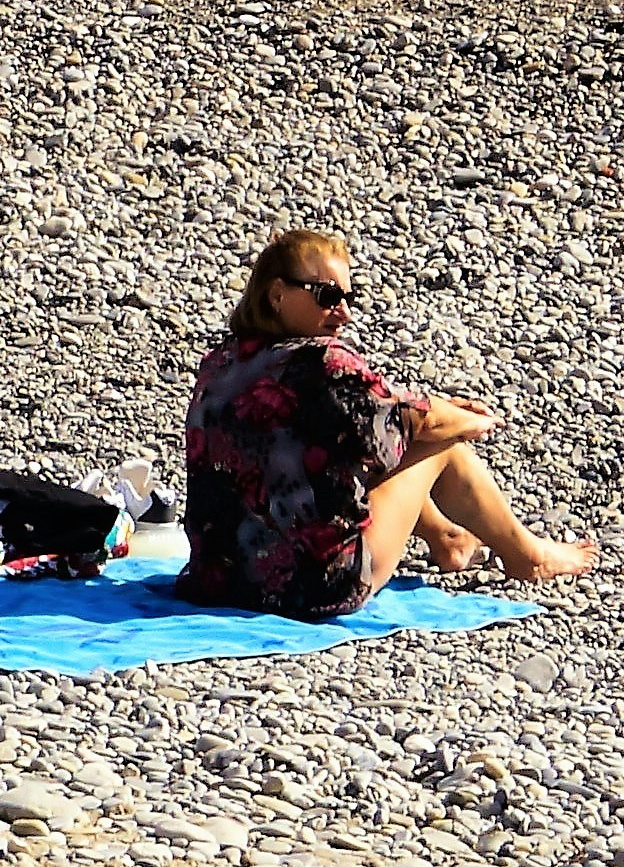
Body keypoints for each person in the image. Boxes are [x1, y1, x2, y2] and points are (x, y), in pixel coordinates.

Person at [180, 229, 592, 616]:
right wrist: (470, 421)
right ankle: (528, 557)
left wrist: (437, 408)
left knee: (369, 445)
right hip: (311, 586)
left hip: (218, 577)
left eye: (347, 296)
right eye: (326, 296)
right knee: (441, 446)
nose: (342, 313)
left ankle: (449, 538)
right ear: (276, 295)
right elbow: (415, 423)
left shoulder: (223, 360)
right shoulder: (323, 363)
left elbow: (378, 415)